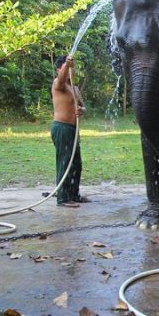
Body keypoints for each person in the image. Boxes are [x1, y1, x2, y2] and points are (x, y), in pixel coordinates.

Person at [51, 54, 89, 206]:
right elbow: (61, 79)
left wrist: (82, 110)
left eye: (72, 69)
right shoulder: (58, 84)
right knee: (65, 162)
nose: (72, 71)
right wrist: (67, 64)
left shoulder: (75, 88)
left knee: (76, 163)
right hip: (62, 127)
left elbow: (83, 106)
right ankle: (62, 198)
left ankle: (74, 194)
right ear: (60, 69)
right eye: (68, 69)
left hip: (73, 129)